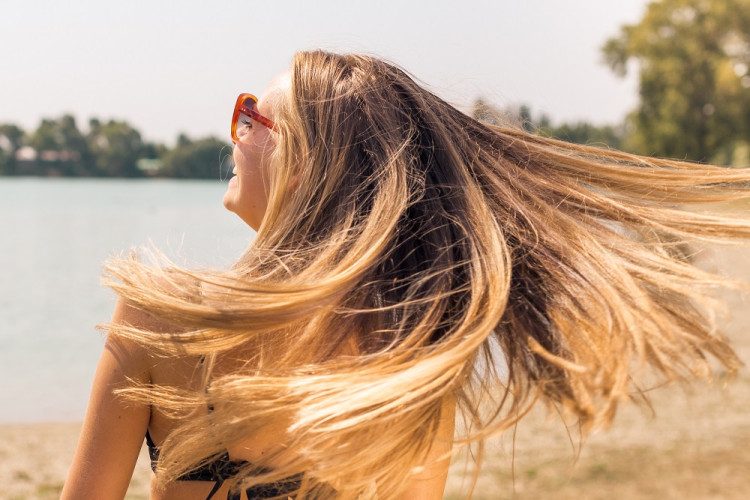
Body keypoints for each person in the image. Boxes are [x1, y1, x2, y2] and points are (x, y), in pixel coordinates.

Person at [62, 50, 750, 500]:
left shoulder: (162, 317)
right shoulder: (409, 356)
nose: (236, 133)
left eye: (252, 115)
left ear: (307, 164)